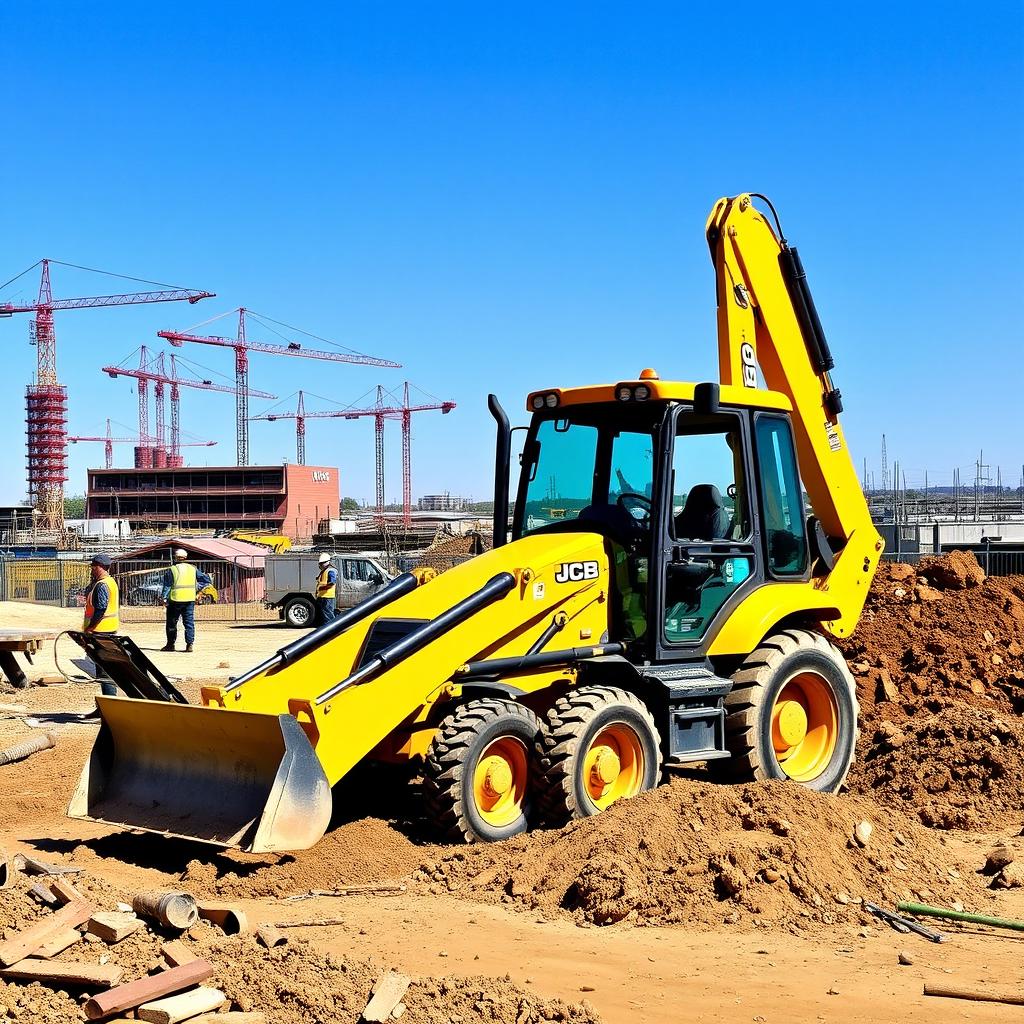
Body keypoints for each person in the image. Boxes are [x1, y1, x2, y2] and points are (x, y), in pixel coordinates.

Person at [160, 548, 212, 653]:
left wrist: (164, 598)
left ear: (175, 557)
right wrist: (198, 590)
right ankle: (189, 645)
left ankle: (170, 645)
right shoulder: (193, 568)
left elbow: (167, 586)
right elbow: (207, 580)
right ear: (185, 557)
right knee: (189, 623)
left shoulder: (172, 569)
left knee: (171, 623)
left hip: (175, 600)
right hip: (189, 600)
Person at [82, 552, 120, 696]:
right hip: (108, 630)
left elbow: (101, 608)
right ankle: (107, 703)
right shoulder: (110, 582)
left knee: (105, 672)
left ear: (101, 567)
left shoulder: (102, 585)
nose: (92, 569)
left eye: (94, 566)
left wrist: (90, 627)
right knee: (105, 669)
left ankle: (110, 702)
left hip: (101, 632)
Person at [315, 552, 338, 626]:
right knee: (325, 615)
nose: (320, 565)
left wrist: (322, 588)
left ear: (327, 562)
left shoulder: (331, 571)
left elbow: (332, 583)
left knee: (328, 615)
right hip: (322, 596)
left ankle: (330, 630)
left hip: (327, 597)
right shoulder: (324, 571)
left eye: (321, 563)